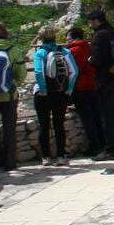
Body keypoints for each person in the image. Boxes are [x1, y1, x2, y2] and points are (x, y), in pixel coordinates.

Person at [0, 21, 27, 171]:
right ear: (6, 33)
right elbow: (22, 73)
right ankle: (10, 162)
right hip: (9, 95)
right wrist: (13, 84)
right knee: (9, 128)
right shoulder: (14, 50)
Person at [33, 25, 79, 166]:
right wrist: (68, 89)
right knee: (59, 124)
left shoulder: (40, 53)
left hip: (43, 95)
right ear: (55, 37)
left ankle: (46, 157)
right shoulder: (64, 51)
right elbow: (74, 71)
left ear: (41, 38)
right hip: (61, 93)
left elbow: (39, 72)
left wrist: (43, 90)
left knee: (44, 125)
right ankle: (61, 155)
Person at [87, 10, 114, 161]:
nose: (90, 24)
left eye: (91, 21)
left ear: (96, 21)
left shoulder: (100, 35)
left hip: (106, 80)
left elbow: (97, 59)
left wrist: (90, 60)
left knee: (107, 116)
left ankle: (111, 150)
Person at [67, 26, 104, 157]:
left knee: (87, 119)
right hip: (93, 85)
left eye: (68, 37)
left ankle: (94, 146)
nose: (66, 39)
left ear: (72, 37)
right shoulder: (90, 47)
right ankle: (102, 143)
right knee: (96, 115)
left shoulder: (72, 51)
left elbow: (72, 70)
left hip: (80, 87)